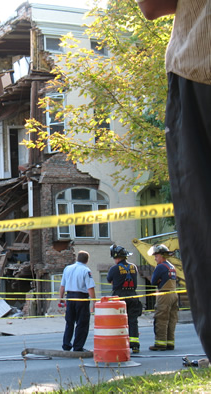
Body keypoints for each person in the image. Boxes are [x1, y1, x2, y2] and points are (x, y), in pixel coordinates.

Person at [136, 0, 211, 359]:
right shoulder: (163, 269)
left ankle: (162, 343)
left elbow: (152, 5)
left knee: (204, 228)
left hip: (201, 69)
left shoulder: (162, 269)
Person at [107, 244, 143, 353]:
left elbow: (110, 280)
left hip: (119, 297)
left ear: (116, 257)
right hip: (132, 295)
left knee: (119, 321)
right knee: (133, 320)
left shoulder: (114, 269)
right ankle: (135, 345)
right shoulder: (133, 267)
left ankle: (121, 344)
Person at [58, 251, 96, 352]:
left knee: (69, 322)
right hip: (81, 298)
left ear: (77, 258)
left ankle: (66, 344)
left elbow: (62, 286)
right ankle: (78, 346)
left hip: (70, 297)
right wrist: (94, 302)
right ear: (87, 260)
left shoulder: (68, 268)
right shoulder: (86, 270)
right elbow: (90, 288)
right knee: (82, 323)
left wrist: (61, 298)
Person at [148, 244, 178, 351]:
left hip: (164, 295)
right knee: (171, 319)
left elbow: (153, 282)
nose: (155, 258)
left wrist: (159, 281)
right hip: (174, 294)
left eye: (156, 256)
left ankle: (160, 343)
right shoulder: (171, 266)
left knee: (161, 318)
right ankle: (170, 343)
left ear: (161, 255)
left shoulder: (160, 267)